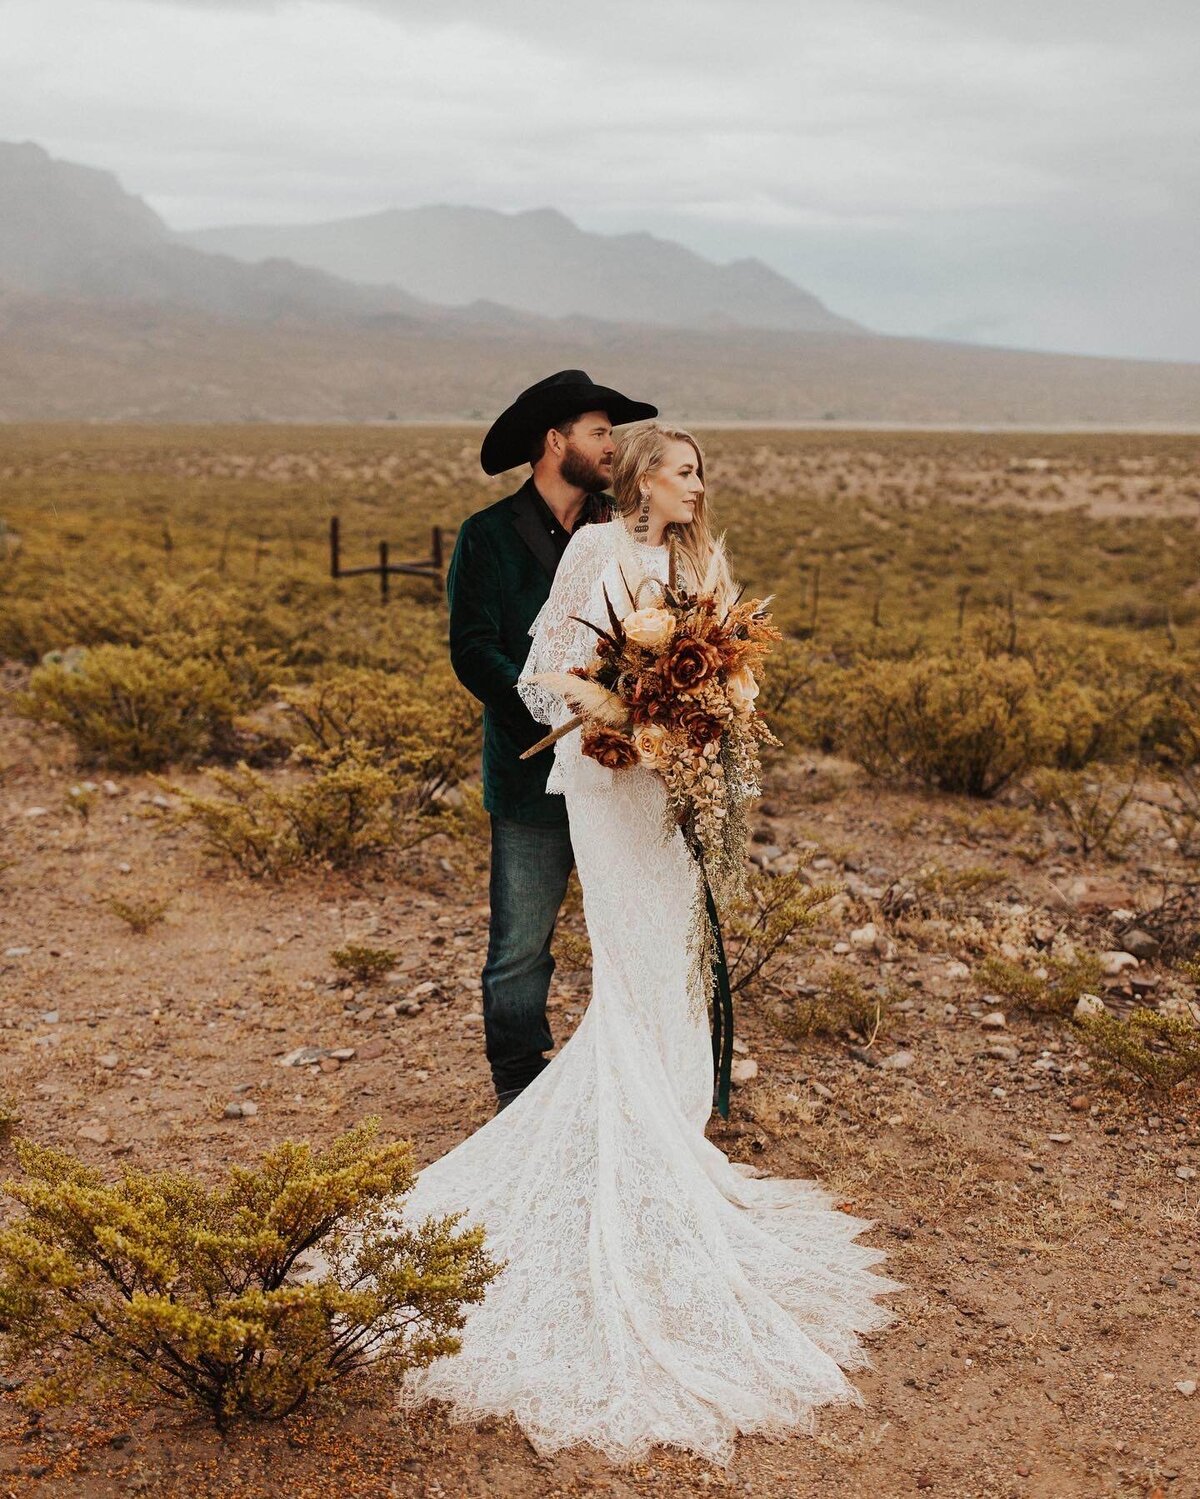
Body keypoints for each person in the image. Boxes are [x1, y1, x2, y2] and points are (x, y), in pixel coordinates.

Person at [397, 421, 900, 1465]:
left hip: (676, 785)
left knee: (675, 955)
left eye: (701, 470)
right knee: (627, 952)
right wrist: (620, 710)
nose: (696, 484)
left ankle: (676, 1126)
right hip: (609, 779)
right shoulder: (597, 551)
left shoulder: (700, 558)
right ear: (640, 481)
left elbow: (739, 674)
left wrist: (710, 710)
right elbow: (545, 669)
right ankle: (633, 1139)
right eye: (681, 469)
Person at [447, 370, 658, 1113]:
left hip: (615, 775)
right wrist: (550, 710)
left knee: (630, 930)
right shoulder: (486, 537)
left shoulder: (625, 534)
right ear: (554, 442)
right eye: (599, 432)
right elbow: (472, 648)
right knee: (520, 946)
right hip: (529, 772)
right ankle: (519, 1087)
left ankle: (634, 1081)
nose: (612, 446)